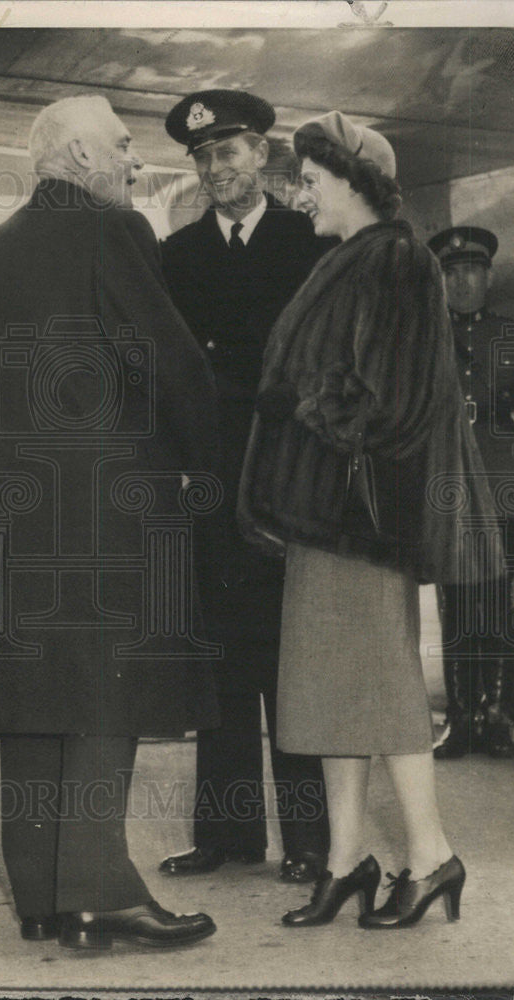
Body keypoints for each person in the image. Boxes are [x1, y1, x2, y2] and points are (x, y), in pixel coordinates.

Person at [0, 95, 220, 949]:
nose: (135, 162)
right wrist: (206, 460)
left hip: (16, 521)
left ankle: (41, 899)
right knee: (107, 702)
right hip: (110, 520)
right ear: (75, 156)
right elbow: (168, 361)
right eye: (123, 145)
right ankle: (100, 893)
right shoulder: (115, 232)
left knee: (36, 705)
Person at [238, 111, 503, 928]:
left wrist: (300, 402)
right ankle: (347, 859)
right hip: (329, 517)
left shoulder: (392, 258)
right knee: (327, 692)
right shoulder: (354, 256)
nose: (300, 191)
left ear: (355, 182)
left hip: (357, 517)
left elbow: (387, 400)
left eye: (312, 178)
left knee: (382, 688)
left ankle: (429, 857)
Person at [157, 89, 331, 884]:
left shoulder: (309, 243)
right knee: (219, 663)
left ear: (262, 155)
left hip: (287, 485)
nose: (214, 169)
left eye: (227, 152)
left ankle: (309, 842)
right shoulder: (179, 254)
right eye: (201, 158)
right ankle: (226, 837)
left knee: (290, 666)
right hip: (211, 488)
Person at [426, 226, 514, 759]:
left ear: (488, 276)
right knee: (457, 604)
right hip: (451, 492)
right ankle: (460, 715)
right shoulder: (425, 338)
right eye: (450, 271)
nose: (461, 280)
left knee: (500, 609)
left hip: (508, 491)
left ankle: (495, 713)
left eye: (471, 270)